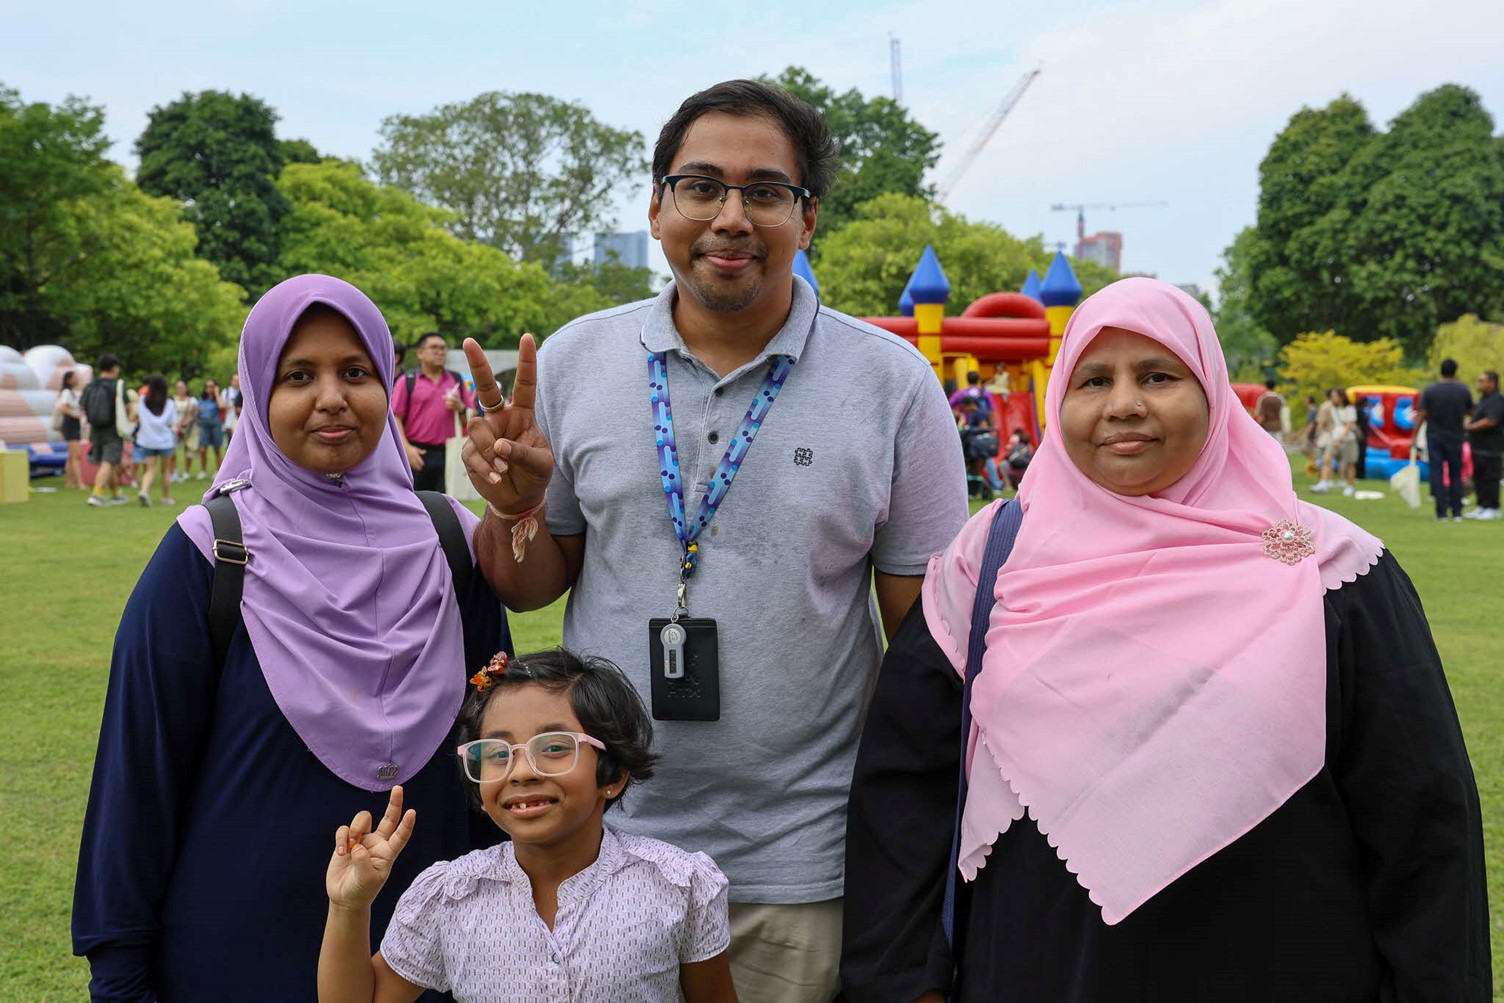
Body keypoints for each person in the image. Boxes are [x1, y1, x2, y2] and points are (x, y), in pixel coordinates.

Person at [456, 79, 969, 1002]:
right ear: (657, 207)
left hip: (799, 861)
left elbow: (928, 655)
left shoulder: (892, 386)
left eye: (765, 191)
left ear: (807, 219)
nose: (731, 215)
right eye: (701, 186)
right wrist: (512, 510)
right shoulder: (577, 361)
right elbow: (527, 586)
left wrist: (922, 864)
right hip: (597, 843)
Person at [841, 278, 1490, 1002]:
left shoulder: (1327, 569)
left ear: (1212, 393)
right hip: (1041, 966)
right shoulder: (984, 566)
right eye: (1094, 379)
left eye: (1158, 375)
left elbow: (1423, 826)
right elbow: (903, 794)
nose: (1124, 403)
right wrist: (905, 986)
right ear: (1061, 401)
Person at [73, 274, 512, 1002]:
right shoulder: (207, 555)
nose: (332, 396)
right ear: (255, 394)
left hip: (439, 956)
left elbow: (494, 757)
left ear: (387, 382)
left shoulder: (450, 545)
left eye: (356, 371)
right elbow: (136, 777)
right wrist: (119, 974)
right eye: (298, 375)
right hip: (238, 954)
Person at [318, 649, 736, 1002]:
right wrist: (348, 907)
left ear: (612, 773)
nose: (521, 772)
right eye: (497, 753)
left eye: (554, 747)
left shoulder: (678, 885)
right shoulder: (448, 897)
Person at [392, 331, 475, 492]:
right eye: (434, 348)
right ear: (420, 353)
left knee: (445, 505)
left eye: (443, 348)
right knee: (415, 504)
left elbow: (471, 421)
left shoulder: (455, 379)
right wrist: (406, 449)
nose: (440, 352)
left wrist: (460, 408)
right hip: (417, 452)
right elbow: (395, 419)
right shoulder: (408, 380)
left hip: (448, 452)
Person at [1416, 358, 1473, 521]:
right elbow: (1471, 411)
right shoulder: (1463, 391)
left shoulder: (1431, 391)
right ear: (1455, 371)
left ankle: (1441, 512)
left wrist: (1414, 435)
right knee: (1456, 474)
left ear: (1441, 370)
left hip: (1435, 436)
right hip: (1456, 437)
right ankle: (1457, 511)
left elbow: (1422, 414)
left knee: (1437, 473)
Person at [83, 353, 128, 507]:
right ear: (114, 368)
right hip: (113, 432)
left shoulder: (90, 386)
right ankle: (96, 494)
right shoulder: (117, 386)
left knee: (109, 463)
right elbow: (127, 408)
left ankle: (115, 494)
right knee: (108, 463)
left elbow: (83, 406)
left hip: (95, 431)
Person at [131, 373, 177, 507]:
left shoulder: (142, 401)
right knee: (165, 470)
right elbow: (173, 422)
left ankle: (144, 490)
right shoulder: (169, 403)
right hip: (165, 441)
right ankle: (166, 497)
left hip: (147, 440)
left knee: (150, 469)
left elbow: (136, 417)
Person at [1464, 369, 1502, 520]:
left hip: (1492, 446)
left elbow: (1491, 420)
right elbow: (1475, 415)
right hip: (1478, 445)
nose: (1478, 384)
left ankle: (1493, 507)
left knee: (1490, 477)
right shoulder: (1482, 400)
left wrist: (1470, 427)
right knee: (1479, 476)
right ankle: (1482, 505)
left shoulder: (1497, 400)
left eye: (1482, 381)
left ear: (1492, 383)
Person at [1315, 387, 1359, 497]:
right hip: (1334, 437)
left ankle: (1350, 486)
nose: (1333, 398)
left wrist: (1341, 439)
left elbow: (1349, 425)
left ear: (1341, 396)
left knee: (1349, 463)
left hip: (1347, 439)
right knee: (1327, 459)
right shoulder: (1333, 408)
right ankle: (1324, 483)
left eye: (1335, 396)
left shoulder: (1350, 408)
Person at [54, 369, 85, 489]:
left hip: (72, 424)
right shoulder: (67, 392)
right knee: (76, 456)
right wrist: (75, 415)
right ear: (68, 380)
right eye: (74, 377)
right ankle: (80, 483)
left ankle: (69, 481)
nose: (77, 380)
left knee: (71, 456)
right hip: (70, 424)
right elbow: (63, 408)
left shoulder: (70, 392)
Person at [194, 377, 227, 479]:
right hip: (204, 424)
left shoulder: (218, 398)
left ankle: (218, 471)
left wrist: (216, 393)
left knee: (216, 449)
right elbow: (198, 412)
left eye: (211, 386)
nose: (209, 388)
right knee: (203, 449)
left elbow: (222, 406)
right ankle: (203, 471)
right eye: (207, 386)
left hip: (215, 424)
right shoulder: (201, 399)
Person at [170, 378, 199, 482]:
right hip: (174, 428)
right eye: (178, 387)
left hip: (188, 428)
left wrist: (185, 422)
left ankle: (186, 472)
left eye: (181, 387)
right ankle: (173, 472)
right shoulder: (172, 400)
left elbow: (195, 415)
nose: (180, 389)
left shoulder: (192, 400)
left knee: (188, 449)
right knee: (172, 451)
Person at [224, 371, 243, 439]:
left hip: (241, 421)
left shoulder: (244, 391)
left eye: (238, 380)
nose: (236, 382)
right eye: (235, 380)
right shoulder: (226, 392)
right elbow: (221, 405)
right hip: (230, 420)